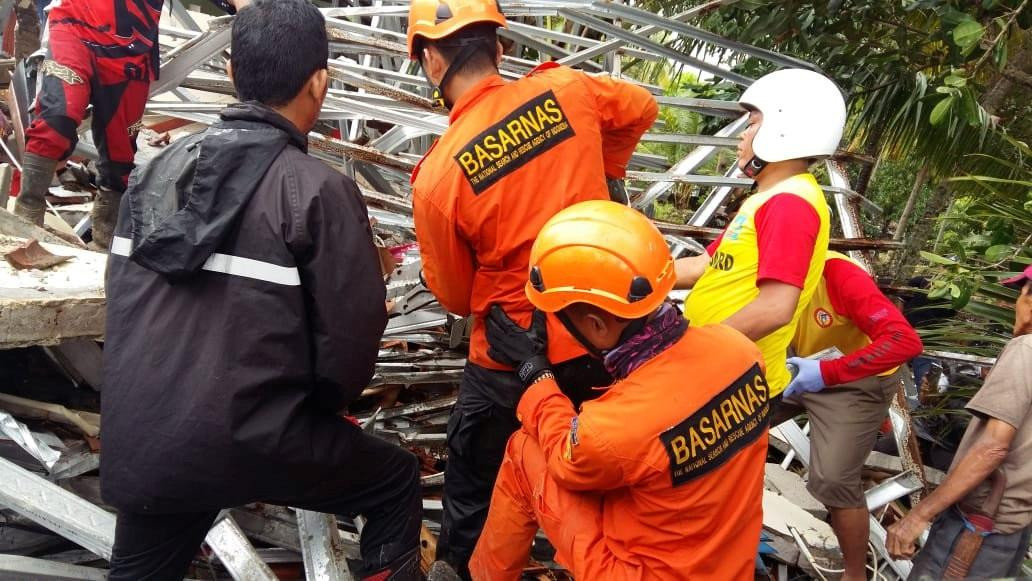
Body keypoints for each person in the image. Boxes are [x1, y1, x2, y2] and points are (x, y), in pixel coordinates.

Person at [100, 3, 420, 579]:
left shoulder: (150, 176)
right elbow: (349, 347)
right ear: (319, 82)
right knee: (394, 483)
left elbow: (122, 310)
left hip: (146, 443)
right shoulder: (319, 193)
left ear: (230, 74)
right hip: (260, 439)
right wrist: (316, 414)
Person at [406, 0, 657, 574]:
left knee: (473, 491)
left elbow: (451, 295)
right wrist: (607, 183)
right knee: (600, 483)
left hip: (505, 358)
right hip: (604, 341)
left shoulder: (440, 176)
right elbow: (641, 106)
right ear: (498, 47)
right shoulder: (569, 91)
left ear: (430, 59)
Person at [467, 200, 770, 580]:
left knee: (525, 451)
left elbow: (568, 457)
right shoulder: (741, 352)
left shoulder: (611, 430)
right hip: (725, 565)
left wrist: (536, 374)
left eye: (559, 316)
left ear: (596, 325)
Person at [11, 0, 242, 249]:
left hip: (132, 53)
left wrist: (249, 9)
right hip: (75, 26)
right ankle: (27, 217)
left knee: (119, 154)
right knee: (56, 121)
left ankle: (103, 243)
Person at [674, 68, 846, 399]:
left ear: (784, 129)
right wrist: (630, 275)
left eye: (752, 124)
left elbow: (775, 307)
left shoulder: (790, 203)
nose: (742, 136)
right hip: (716, 368)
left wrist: (692, 351)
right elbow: (703, 266)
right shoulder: (769, 198)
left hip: (728, 378)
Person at [774, 251, 924, 581]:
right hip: (799, 362)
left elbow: (905, 341)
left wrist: (829, 373)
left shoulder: (840, 275)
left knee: (833, 480)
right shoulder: (751, 257)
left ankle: (854, 575)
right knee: (735, 426)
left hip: (857, 378)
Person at [886, 264, 1032, 579]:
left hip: (979, 526)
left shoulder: (1025, 351)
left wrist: (918, 517)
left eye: (1018, 295)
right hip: (1015, 527)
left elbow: (993, 447)